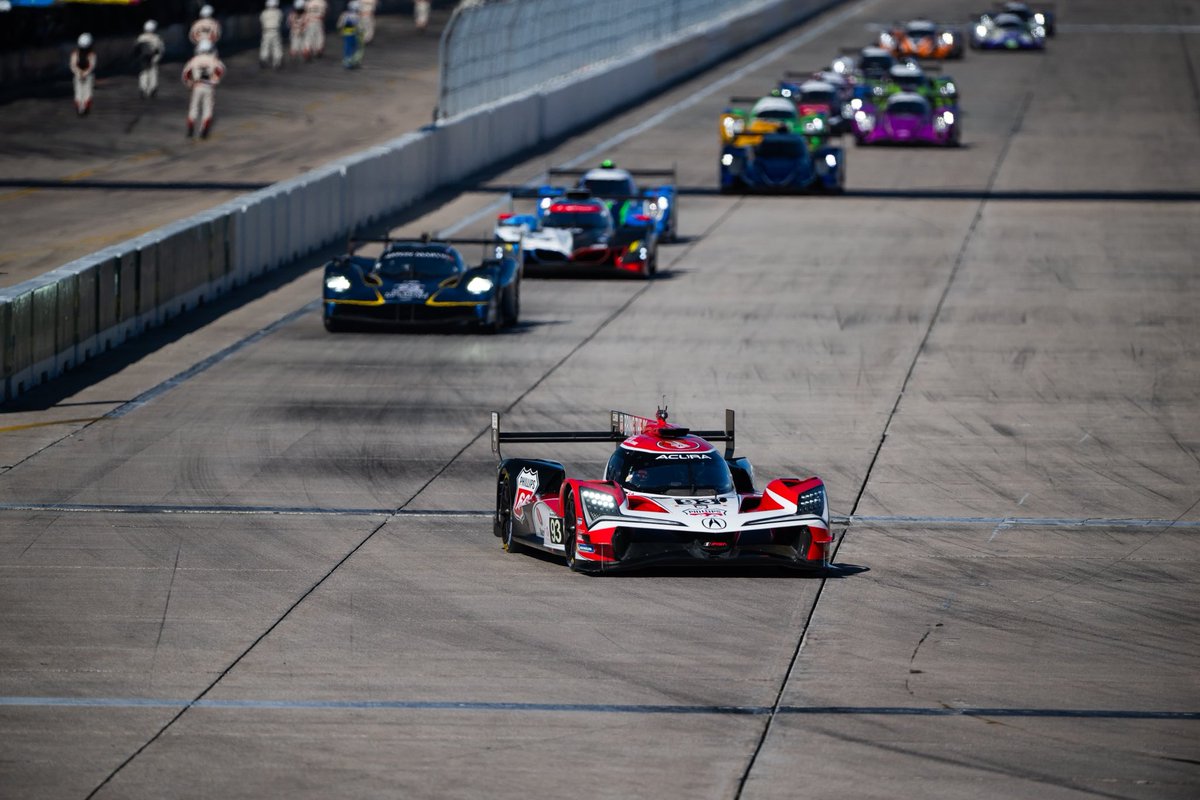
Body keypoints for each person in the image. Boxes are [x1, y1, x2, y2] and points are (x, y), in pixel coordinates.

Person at [182, 39, 225, 139]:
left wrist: (189, 84)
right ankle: (204, 130)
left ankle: (190, 129)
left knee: (194, 108)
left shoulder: (194, 60)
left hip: (197, 86)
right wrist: (215, 80)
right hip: (209, 86)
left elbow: (186, 74)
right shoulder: (214, 60)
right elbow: (221, 70)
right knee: (208, 108)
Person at [134, 20, 165, 98]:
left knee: (143, 73)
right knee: (153, 73)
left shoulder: (141, 37)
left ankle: (143, 88)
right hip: (153, 57)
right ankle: (152, 89)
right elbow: (161, 49)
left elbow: (136, 48)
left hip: (143, 58)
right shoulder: (156, 38)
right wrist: (158, 58)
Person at [70, 33, 96, 116]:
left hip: (85, 76)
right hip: (82, 76)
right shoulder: (76, 54)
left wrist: (82, 73)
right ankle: (81, 108)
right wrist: (80, 73)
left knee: (84, 93)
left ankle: (83, 108)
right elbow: (73, 65)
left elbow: (91, 66)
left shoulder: (91, 55)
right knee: (81, 93)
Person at [337, 1, 363, 68]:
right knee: (354, 47)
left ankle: (347, 61)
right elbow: (359, 26)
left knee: (347, 46)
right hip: (354, 32)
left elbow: (340, 24)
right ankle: (351, 61)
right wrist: (360, 32)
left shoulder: (345, 14)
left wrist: (340, 30)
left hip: (347, 32)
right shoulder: (356, 16)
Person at [259, 0, 283, 69]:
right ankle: (277, 62)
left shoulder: (264, 13)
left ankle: (263, 59)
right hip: (275, 31)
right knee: (276, 46)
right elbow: (281, 20)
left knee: (265, 46)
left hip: (266, 31)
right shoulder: (278, 12)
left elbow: (261, 20)